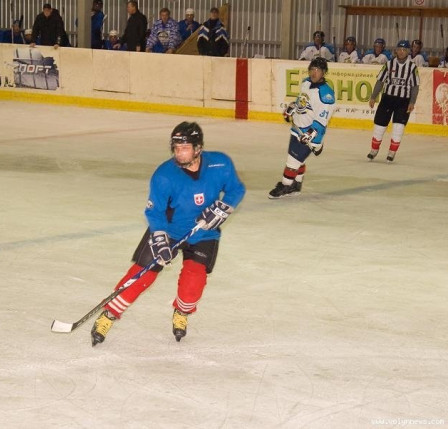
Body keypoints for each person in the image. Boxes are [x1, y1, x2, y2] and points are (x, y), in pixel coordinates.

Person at [90, 121, 246, 346]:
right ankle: (109, 314)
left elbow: (236, 189)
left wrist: (225, 207)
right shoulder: (164, 175)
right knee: (142, 274)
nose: (179, 153)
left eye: (185, 148)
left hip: (203, 233)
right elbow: (155, 212)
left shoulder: (220, 163)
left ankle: (182, 312)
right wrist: (160, 238)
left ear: (198, 148)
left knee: (194, 281)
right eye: (176, 148)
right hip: (168, 231)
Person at [268, 57, 335, 199]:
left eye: (318, 70)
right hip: (297, 128)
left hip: (310, 133)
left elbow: (322, 119)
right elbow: (301, 101)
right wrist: (292, 108)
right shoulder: (306, 83)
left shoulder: (326, 94)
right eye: (312, 69)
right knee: (299, 160)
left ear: (324, 72)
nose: (314, 73)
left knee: (292, 161)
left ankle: (286, 185)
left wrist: (311, 133)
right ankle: (296, 186)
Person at [366, 40, 420, 163]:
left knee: (398, 127)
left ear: (408, 52)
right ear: (396, 50)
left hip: (403, 101)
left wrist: (412, 102)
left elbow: (415, 87)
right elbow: (380, 82)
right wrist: (373, 97)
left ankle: (392, 152)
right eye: (399, 49)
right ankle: (374, 149)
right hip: (387, 99)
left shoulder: (412, 67)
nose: (401, 52)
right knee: (379, 125)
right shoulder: (388, 64)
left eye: (404, 50)